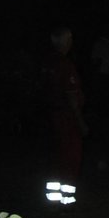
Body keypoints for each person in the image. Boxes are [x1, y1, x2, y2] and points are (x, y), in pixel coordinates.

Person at [39, 26, 86, 206]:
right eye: (69, 39)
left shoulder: (47, 63)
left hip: (51, 117)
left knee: (56, 159)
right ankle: (66, 201)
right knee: (69, 157)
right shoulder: (64, 65)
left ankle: (53, 201)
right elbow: (71, 96)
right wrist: (80, 122)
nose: (71, 42)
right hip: (65, 118)